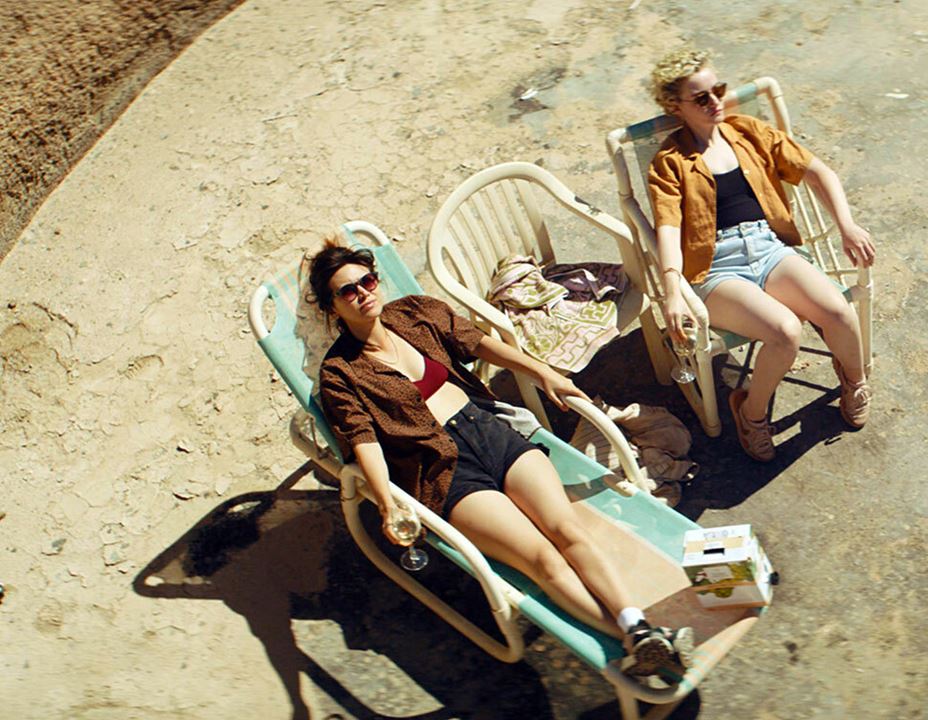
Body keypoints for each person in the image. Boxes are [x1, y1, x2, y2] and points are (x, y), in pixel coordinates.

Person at [307, 241, 691, 681]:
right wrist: (388, 503)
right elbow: (365, 442)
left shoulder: (414, 312)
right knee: (542, 559)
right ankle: (639, 638)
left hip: (489, 432)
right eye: (348, 291)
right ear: (332, 308)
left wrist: (544, 373)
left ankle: (638, 630)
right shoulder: (340, 373)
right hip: (443, 471)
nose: (363, 293)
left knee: (567, 530)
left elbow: (481, 344)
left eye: (367, 281)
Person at [647, 47, 876, 462]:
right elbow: (668, 227)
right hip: (716, 268)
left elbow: (818, 172)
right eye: (701, 98)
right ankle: (750, 413)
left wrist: (846, 225)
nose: (716, 101)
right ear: (675, 106)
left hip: (768, 247)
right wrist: (672, 291)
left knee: (838, 311)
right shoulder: (669, 161)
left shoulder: (748, 131)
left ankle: (854, 380)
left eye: (718, 89)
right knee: (785, 332)